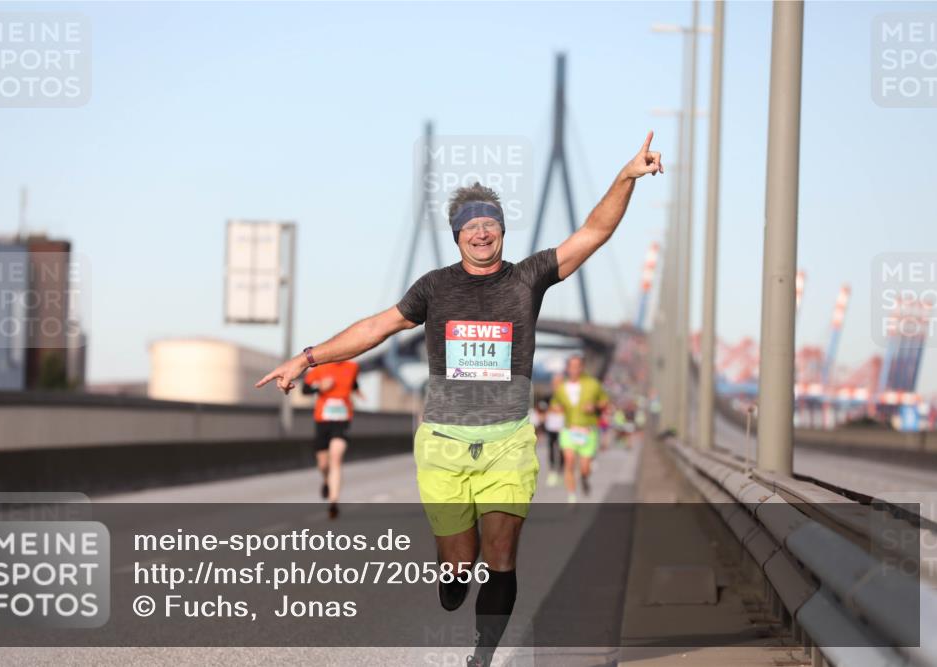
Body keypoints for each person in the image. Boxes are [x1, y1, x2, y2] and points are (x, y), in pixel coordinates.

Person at [256, 132, 662, 666]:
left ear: (501, 230)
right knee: (458, 565)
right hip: (444, 442)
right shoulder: (433, 288)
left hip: (508, 441)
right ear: (456, 236)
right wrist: (309, 357)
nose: (480, 232)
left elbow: (593, 232)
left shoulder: (528, 278)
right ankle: (450, 569)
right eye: (470, 225)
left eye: (489, 223)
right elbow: (377, 328)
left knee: (500, 555)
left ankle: (483, 654)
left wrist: (626, 176)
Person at [301, 360, 362, 519]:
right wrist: (319, 387)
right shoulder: (318, 367)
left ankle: (333, 503)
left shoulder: (353, 367)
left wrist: (358, 392)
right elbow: (305, 389)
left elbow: (353, 383)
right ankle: (326, 480)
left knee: (336, 458)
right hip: (322, 420)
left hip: (342, 420)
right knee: (323, 463)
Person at [550, 355, 609, 502]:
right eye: (571, 366)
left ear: (582, 367)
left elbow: (605, 402)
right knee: (569, 461)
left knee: (584, 468)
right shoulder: (561, 387)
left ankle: (584, 477)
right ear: (567, 368)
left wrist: (594, 406)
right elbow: (554, 404)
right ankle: (571, 496)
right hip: (569, 429)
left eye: (577, 366)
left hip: (587, 431)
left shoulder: (593, 384)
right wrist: (556, 408)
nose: (574, 370)